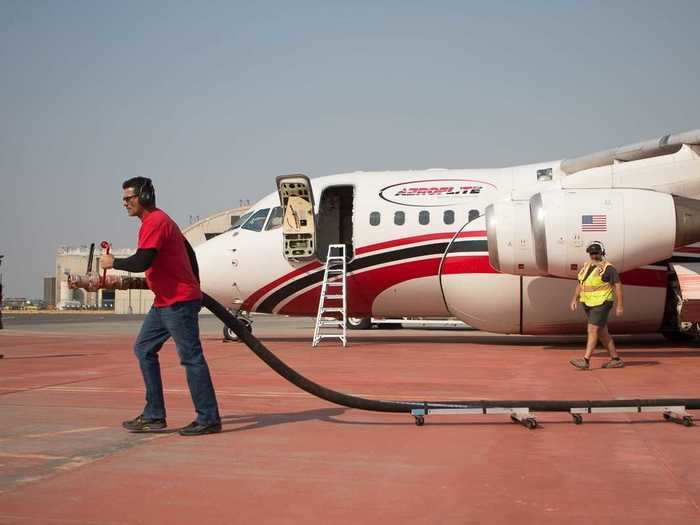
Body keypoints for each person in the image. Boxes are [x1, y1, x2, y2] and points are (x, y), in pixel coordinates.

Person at [101, 177, 221, 435]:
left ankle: (208, 418)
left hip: (177, 303)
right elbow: (189, 251)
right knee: (143, 348)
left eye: (128, 198)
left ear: (143, 196)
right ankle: (154, 415)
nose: (124, 203)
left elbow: (143, 261)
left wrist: (113, 263)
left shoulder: (155, 221)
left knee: (191, 359)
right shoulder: (158, 221)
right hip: (166, 302)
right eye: (123, 199)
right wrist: (196, 287)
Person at [569, 241, 625, 370]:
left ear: (602, 253)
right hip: (588, 303)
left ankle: (585, 360)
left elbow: (618, 286)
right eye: (591, 253)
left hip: (602, 303)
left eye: (596, 253)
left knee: (592, 330)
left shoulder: (608, 268)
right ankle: (616, 359)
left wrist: (620, 305)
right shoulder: (586, 266)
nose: (594, 255)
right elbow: (580, 283)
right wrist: (574, 299)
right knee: (602, 332)